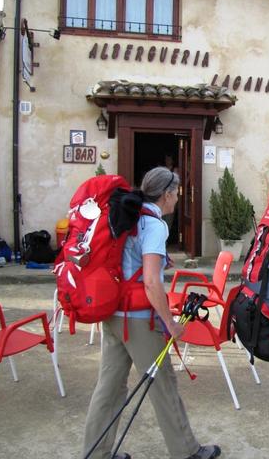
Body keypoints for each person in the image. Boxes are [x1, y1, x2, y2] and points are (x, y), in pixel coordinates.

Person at [82, 167, 220, 459]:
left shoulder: (125, 214)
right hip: (139, 319)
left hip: (113, 312)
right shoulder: (155, 225)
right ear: (167, 194)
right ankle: (187, 452)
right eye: (177, 193)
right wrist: (170, 323)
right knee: (163, 384)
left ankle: (97, 453)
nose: (177, 199)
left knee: (109, 387)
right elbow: (150, 281)